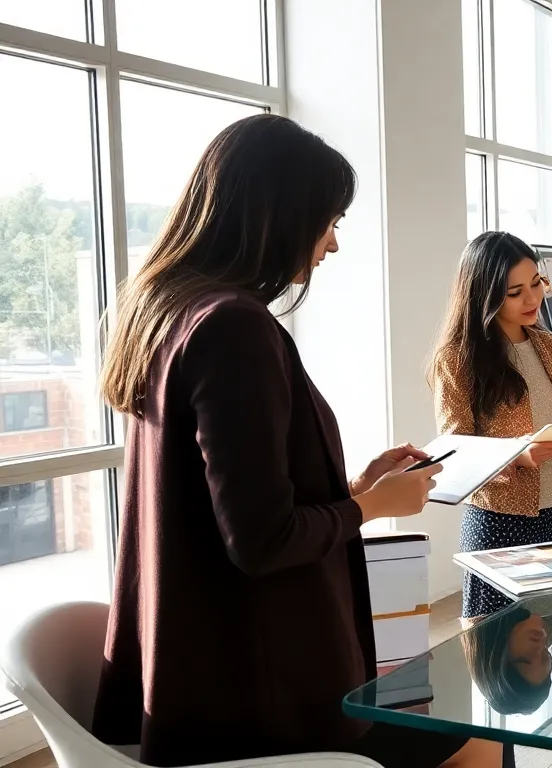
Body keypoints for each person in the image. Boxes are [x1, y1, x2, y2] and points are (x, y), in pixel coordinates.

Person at [91, 115, 507, 768]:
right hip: (260, 697)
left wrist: (354, 490)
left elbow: (229, 508)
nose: (332, 246)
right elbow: (262, 542)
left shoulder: (165, 312)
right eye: (331, 221)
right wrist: (372, 508)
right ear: (280, 215)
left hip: (193, 672)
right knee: (481, 740)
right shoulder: (234, 328)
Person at [429, 231, 552, 619]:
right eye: (515, 292)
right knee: (499, 655)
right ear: (485, 295)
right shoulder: (456, 359)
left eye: (536, 283)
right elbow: (454, 456)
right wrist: (518, 457)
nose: (533, 298)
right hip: (499, 523)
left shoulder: (548, 344)